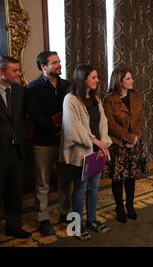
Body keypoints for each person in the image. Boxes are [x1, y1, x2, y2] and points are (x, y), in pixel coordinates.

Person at [60, 64, 112, 241]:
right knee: (80, 188)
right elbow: (74, 127)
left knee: (94, 187)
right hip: (82, 152)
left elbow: (103, 121)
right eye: (94, 77)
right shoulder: (71, 99)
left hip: (97, 151)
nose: (98, 80)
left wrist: (104, 141)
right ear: (83, 79)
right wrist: (95, 141)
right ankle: (76, 225)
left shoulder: (96, 98)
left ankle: (91, 220)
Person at [25, 51, 72, 236]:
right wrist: (55, 128)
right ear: (43, 66)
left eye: (59, 61)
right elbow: (34, 115)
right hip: (43, 143)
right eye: (55, 62)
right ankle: (43, 218)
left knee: (65, 180)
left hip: (65, 141)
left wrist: (65, 130)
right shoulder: (33, 88)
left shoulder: (66, 85)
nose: (59, 64)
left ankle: (65, 212)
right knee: (42, 183)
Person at [103, 67, 148, 223]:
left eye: (131, 78)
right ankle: (119, 207)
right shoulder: (109, 99)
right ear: (119, 80)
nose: (132, 81)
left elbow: (141, 119)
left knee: (131, 176)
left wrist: (135, 137)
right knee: (118, 178)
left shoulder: (136, 96)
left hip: (135, 143)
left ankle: (130, 205)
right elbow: (110, 124)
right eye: (128, 78)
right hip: (118, 144)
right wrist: (127, 138)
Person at [0, 56, 31, 239]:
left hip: (17, 150)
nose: (19, 74)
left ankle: (13, 226)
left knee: (15, 191)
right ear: (2, 73)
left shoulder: (20, 91)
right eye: (15, 71)